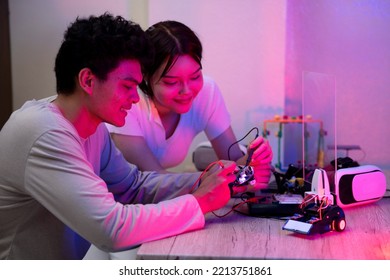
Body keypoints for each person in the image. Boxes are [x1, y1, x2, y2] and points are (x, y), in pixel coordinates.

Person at [0, 13, 241, 260]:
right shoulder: (43, 132)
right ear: (88, 80)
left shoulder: (93, 129)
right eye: (127, 86)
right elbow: (112, 230)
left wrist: (203, 180)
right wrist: (200, 202)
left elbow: (131, 187)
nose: (136, 98)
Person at [106, 20, 273, 174]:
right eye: (171, 82)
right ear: (146, 76)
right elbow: (152, 180)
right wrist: (211, 179)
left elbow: (234, 162)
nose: (186, 91)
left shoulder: (206, 92)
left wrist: (253, 160)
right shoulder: (130, 101)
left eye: (194, 77)